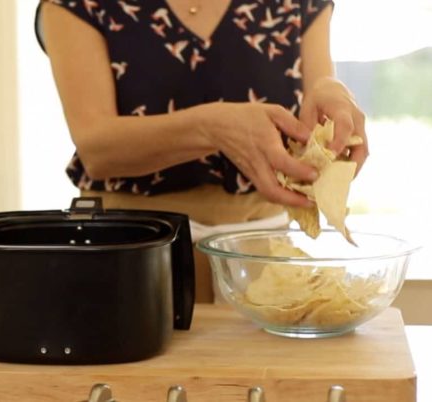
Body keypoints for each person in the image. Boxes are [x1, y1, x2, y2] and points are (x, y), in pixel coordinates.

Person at [35, 0, 368, 302]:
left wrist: (332, 95)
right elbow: (97, 149)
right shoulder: (77, 5)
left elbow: (316, 100)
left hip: (259, 256)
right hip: (130, 253)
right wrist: (211, 127)